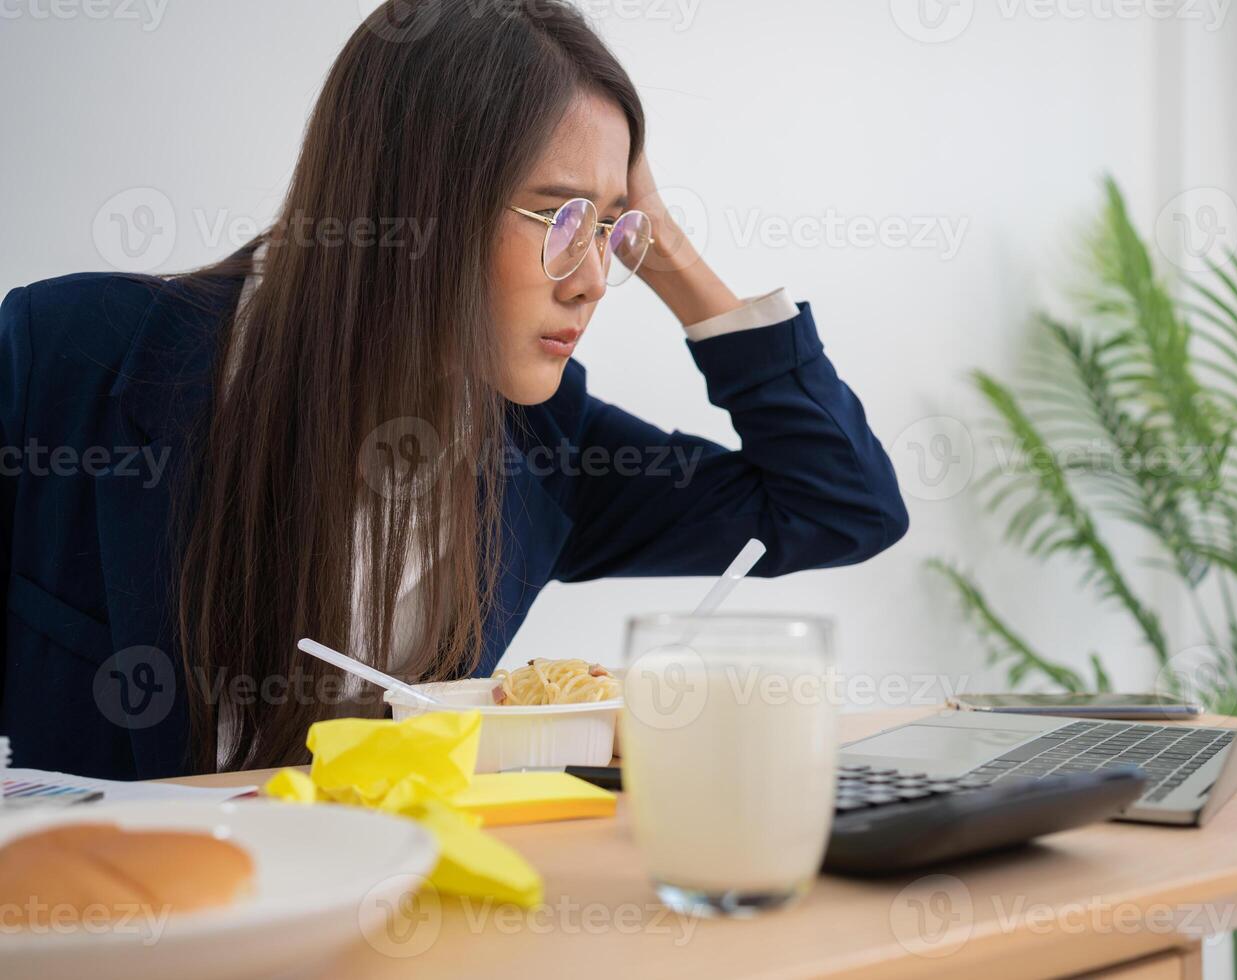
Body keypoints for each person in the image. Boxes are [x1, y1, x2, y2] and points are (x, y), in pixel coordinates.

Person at [0, 0, 908, 779]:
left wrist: (664, 246)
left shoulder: (546, 447)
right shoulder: (67, 359)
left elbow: (840, 503)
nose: (593, 278)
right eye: (559, 218)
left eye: (611, 229)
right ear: (411, 207)